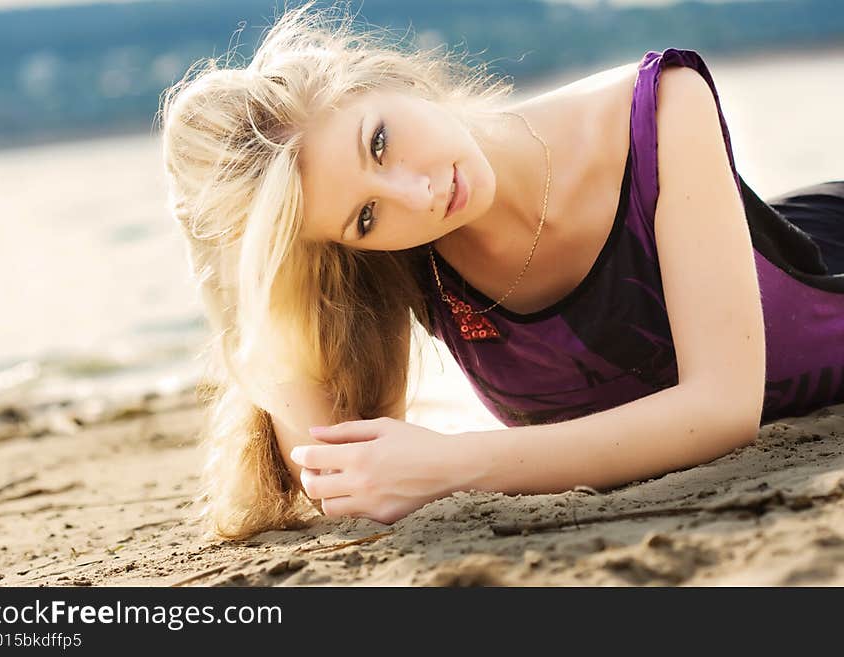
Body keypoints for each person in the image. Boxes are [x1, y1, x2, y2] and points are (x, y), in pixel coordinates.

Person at [161, 2, 844, 540]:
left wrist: (453, 464)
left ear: (382, 80)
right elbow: (339, 477)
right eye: (364, 217)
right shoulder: (400, 257)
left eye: (379, 141)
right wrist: (229, 271)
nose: (414, 194)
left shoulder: (659, 106)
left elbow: (724, 409)